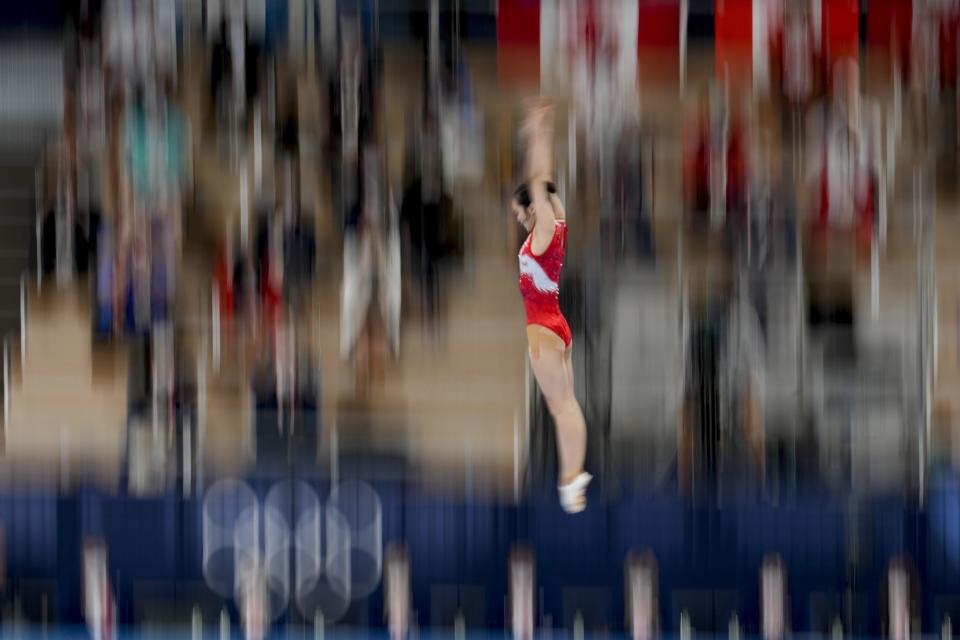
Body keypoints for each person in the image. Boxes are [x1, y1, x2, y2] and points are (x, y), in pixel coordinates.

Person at [512, 101, 590, 513]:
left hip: (542, 329)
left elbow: (540, 180)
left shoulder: (543, 231)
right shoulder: (556, 225)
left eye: (520, 212)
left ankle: (572, 481)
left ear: (533, 207)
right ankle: (571, 476)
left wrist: (537, 136)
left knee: (561, 407)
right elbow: (547, 186)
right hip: (554, 323)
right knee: (565, 404)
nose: (520, 220)